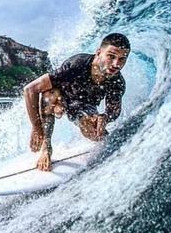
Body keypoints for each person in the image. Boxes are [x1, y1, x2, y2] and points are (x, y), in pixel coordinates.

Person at [23, 33, 130, 171]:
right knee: (49, 94)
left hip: (84, 106)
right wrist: (37, 128)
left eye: (122, 59)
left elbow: (114, 109)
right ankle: (46, 146)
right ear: (98, 53)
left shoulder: (117, 82)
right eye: (111, 56)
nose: (116, 64)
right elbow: (30, 89)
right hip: (61, 100)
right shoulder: (77, 64)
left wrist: (105, 117)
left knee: (96, 133)